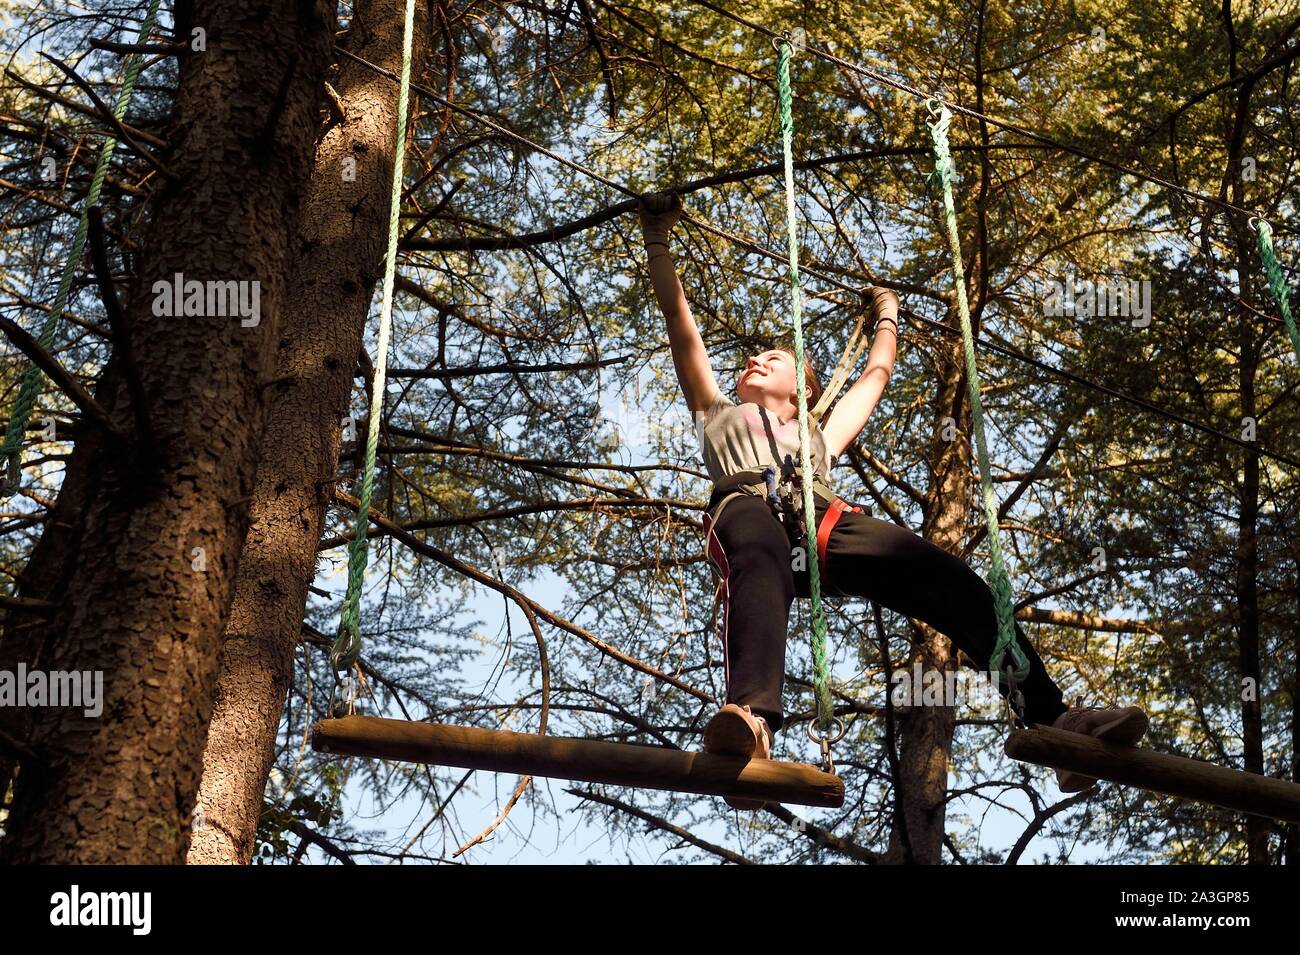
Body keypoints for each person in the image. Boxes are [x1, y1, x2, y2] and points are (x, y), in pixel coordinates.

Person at [637, 191, 1150, 811]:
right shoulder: (717, 412)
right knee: (758, 554)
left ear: (803, 388)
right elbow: (679, 323)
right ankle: (750, 718)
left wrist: (888, 313)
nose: (753, 360)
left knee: (952, 583)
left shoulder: (819, 434)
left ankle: (1054, 721)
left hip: (825, 522)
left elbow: (875, 376)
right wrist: (658, 239)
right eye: (752, 357)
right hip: (748, 509)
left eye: (773, 358)